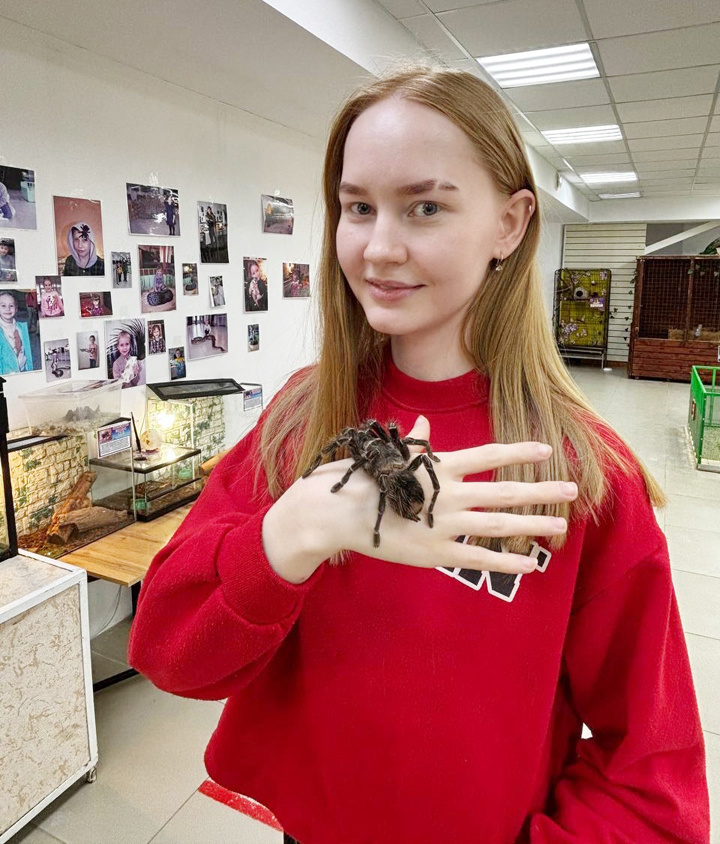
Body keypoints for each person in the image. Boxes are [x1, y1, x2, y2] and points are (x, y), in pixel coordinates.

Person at [128, 67, 710, 844]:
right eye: (358, 207)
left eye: (425, 206)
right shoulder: (301, 420)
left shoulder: (582, 473)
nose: (378, 247)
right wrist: (292, 534)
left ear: (510, 224)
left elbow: (654, 782)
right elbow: (168, 652)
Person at [0, 291, 33, 373]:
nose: (8, 309)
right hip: (7, 374)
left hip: (23, 370)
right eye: (3, 306)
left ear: (16, 308)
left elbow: (26, 352)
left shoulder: (22, 327)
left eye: (11, 305)